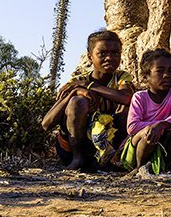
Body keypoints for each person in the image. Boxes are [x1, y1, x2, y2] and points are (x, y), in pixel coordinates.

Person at [42, 29, 134, 171]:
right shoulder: (75, 82)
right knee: (78, 102)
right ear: (90, 57)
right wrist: (73, 92)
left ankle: (111, 158)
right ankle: (78, 158)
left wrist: (89, 85)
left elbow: (126, 98)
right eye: (102, 53)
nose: (109, 58)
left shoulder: (121, 77)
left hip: (103, 148)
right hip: (71, 150)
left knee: (129, 106)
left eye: (115, 53)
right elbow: (46, 124)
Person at [120, 48, 171, 173]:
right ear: (146, 76)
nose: (166, 75)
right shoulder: (139, 97)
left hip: (161, 139)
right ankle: (139, 168)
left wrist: (161, 125)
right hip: (137, 147)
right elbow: (132, 127)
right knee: (149, 132)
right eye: (160, 71)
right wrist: (154, 126)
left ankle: (164, 164)